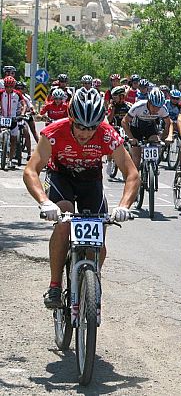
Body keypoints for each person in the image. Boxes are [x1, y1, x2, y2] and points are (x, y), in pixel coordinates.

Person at [23, 89, 138, 309]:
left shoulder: (107, 134)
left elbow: (131, 173)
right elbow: (31, 170)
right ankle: (55, 285)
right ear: (71, 119)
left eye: (92, 127)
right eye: (80, 127)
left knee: (97, 240)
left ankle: (91, 280)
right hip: (61, 177)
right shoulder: (54, 132)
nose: (86, 133)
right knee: (65, 219)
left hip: (90, 182)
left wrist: (124, 205)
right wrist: (44, 202)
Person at [121, 87, 172, 169]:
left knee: (155, 141)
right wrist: (131, 138)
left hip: (150, 127)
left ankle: (152, 166)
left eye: (158, 107)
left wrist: (168, 136)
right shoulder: (138, 106)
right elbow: (124, 121)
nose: (156, 110)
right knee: (136, 159)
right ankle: (135, 178)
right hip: (136, 127)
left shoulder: (163, 109)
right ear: (149, 102)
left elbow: (169, 123)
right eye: (154, 106)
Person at [0, 75, 26, 167]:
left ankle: (10, 159)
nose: (9, 88)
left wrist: (22, 113)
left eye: (11, 86)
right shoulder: (1, 93)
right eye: (7, 86)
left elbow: (24, 104)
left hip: (13, 118)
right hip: (2, 117)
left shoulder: (18, 94)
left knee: (13, 140)